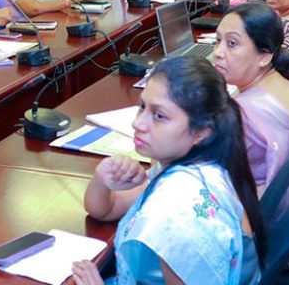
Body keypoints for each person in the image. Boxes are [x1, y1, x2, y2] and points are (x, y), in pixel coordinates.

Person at [72, 56, 263, 285]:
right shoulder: (192, 165)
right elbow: (105, 209)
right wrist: (103, 178)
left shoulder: (179, 214)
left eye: (159, 116)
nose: (138, 123)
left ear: (201, 131)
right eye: (142, 106)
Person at [213, 4, 289, 195]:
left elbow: (215, 164)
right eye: (218, 40)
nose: (218, 53)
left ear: (264, 56)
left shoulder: (250, 109)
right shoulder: (282, 78)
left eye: (232, 44)